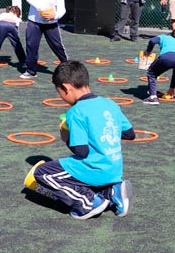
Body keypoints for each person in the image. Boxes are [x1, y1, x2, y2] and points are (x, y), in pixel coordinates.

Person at [24, 61, 135, 220]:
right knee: (78, 173)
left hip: (94, 168)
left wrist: (66, 137)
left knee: (42, 173)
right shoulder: (109, 104)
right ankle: (112, 192)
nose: (61, 97)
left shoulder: (76, 112)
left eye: (59, 93)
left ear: (66, 88)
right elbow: (130, 134)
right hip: (114, 170)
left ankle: (88, 202)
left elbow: (81, 151)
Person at [21, 0, 68, 79]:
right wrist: (40, 8)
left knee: (57, 46)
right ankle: (31, 70)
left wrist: (54, 16)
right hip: (34, 22)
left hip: (51, 24)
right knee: (31, 45)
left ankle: (67, 67)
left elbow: (62, 10)